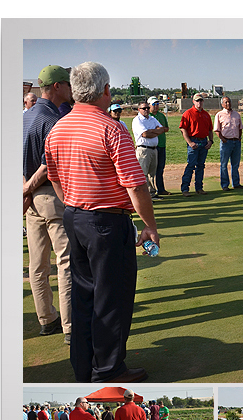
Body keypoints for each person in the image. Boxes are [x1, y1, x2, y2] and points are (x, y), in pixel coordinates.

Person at [44, 61, 159, 383]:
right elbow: (135, 185)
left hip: (75, 216)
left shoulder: (59, 128)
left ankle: (84, 366)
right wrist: (149, 225)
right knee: (112, 298)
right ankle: (108, 369)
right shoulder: (111, 128)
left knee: (83, 295)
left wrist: (74, 203)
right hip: (106, 221)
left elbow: (54, 178)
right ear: (106, 90)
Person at [22, 64, 73, 345]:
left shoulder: (26, 116)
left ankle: (46, 319)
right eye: (66, 83)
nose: (70, 88)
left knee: (37, 264)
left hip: (30, 199)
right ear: (56, 86)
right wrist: (29, 187)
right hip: (50, 195)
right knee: (65, 262)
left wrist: (24, 189)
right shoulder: (53, 119)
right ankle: (70, 325)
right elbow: (48, 163)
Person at [179, 93, 213, 197]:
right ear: (193, 101)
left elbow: (210, 130)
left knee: (201, 166)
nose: (199, 102)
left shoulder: (206, 114)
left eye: (201, 101)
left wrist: (210, 141)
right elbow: (183, 129)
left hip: (204, 142)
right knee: (190, 166)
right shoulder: (188, 113)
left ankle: (199, 187)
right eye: (197, 101)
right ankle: (185, 188)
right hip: (193, 141)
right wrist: (189, 142)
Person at [132, 99, 167, 200]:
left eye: (147, 108)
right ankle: (144, 195)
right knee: (143, 173)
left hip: (153, 149)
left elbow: (162, 129)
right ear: (139, 109)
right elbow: (145, 134)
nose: (146, 110)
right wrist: (154, 131)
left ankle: (152, 193)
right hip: (143, 149)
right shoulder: (137, 120)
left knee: (152, 173)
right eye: (144, 108)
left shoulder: (152, 119)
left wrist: (152, 131)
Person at [214, 96, 243, 191]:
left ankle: (236, 183)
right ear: (222, 104)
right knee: (224, 164)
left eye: (229, 102)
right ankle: (224, 185)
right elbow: (217, 130)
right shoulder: (219, 115)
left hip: (236, 142)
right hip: (226, 142)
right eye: (226, 102)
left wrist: (239, 138)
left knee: (235, 164)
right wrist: (223, 139)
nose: (228, 104)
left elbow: (240, 128)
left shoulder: (237, 114)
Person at [149, 97, 170, 196]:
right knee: (152, 170)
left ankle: (161, 189)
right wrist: (158, 130)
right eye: (154, 104)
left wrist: (158, 130)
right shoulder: (147, 116)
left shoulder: (161, 115)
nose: (156, 106)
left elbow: (166, 128)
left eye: (157, 104)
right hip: (152, 146)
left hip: (162, 144)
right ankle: (151, 191)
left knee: (160, 168)